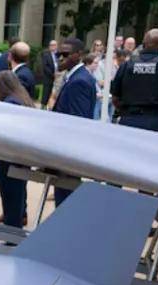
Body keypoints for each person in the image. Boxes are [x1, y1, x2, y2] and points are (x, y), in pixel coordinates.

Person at [111, 28, 158, 134]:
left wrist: (124, 109)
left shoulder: (127, 65)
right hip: (155, 120)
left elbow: (115, 97)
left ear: (143, 43)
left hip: (128, 119)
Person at [51, 38, 97, 207]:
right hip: (67, 149)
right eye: (59, 54)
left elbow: (78, 122)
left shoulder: (79, 81)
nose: (61, 58)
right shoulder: (75, 77)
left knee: (66, 197)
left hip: (69, 150)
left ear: (78, 55)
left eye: (65, 54)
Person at [0, 71, 34, 229]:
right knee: (17, 198)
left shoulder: (9, 103)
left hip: (7, 161)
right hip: (20, 159)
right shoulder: (22, 99)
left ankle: (11, 234)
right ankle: (15, 225)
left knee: (10, 200)